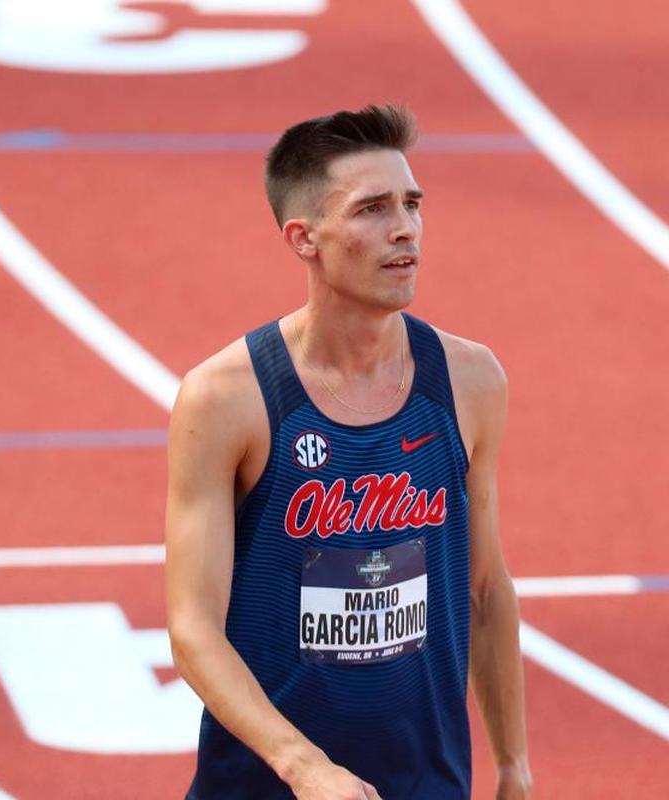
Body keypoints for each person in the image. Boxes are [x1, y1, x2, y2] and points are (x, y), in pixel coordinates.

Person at [165, 104, 531, 799]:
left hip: (428, 782)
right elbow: (193, 632)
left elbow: (486, 590)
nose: (404, 229)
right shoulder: (226, 399)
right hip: (266, 786)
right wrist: (306, 768)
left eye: (412, 204)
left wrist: (513, 763)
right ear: (304, 238)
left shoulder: (470, 380)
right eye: (371, 210)